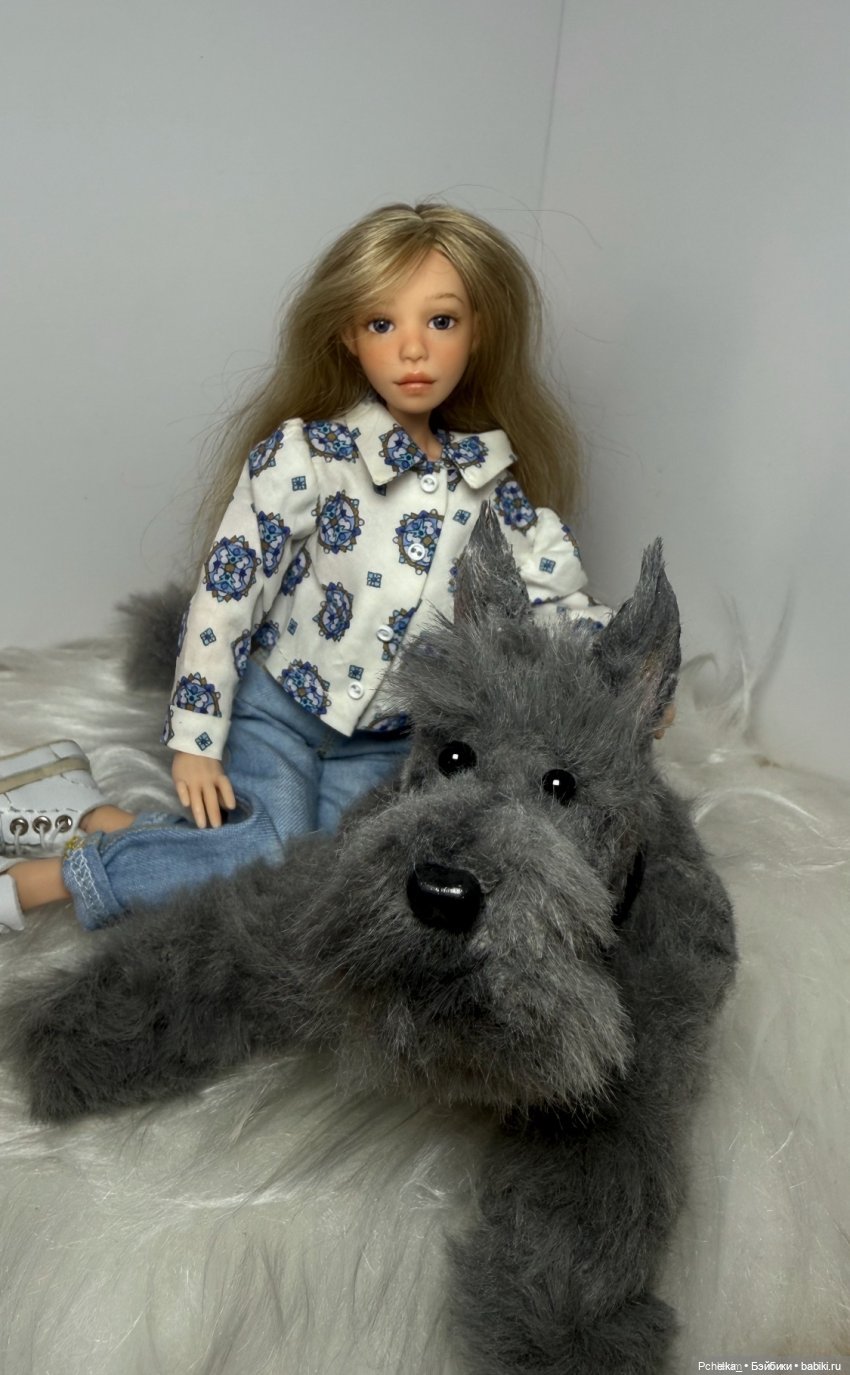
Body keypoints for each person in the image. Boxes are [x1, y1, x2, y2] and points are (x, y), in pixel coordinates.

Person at [0, 201, 613, 935]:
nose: (412, 349)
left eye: (441, 321)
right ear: (349, 335)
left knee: (335, 878)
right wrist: (196, 738)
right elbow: (226, 595)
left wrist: (624, 667)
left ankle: (85, 815)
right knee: (269, 854)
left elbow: (557, 606)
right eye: (382, 323)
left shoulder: (495, 492)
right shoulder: (308, 459)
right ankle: (37, 884)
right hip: (276, 712)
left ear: (479, 331)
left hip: (386, 741)